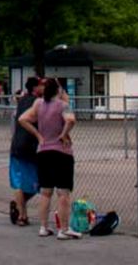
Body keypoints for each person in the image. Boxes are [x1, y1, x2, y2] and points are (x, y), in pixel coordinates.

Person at [19, 77, 80, 240]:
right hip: (61, 152)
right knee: (63, 192)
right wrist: (63, 134)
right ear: (58, 90)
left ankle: (43, 227)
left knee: (45, 192)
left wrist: (39, 136)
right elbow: (71, 120)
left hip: (43, 151)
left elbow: (23, 119)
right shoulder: (62, 105)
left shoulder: (38, 104)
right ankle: (64, 228)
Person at [8, 77, 42, 226]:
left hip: (19, 145)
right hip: (28, 146)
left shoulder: (23, 100)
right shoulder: (37, 102)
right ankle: (22, 215)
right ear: (35, 88)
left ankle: (18, 206)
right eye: (41, 85)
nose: (43, 87)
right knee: (25, 182)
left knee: (29, 183)